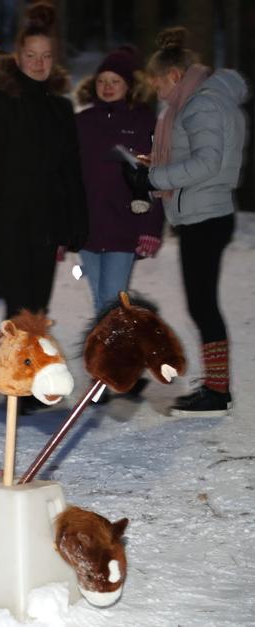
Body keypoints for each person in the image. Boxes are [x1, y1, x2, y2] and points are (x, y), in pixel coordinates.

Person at [123, 27, 248, 417]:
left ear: (174, 76)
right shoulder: (201, 102)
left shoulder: (202, 105)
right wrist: (154, 165)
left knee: (203, 306)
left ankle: (217, 391)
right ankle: (215, 386)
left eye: (159, 83)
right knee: (202, 304)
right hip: (203, 213)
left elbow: (207, 163)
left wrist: (154, 178)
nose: (158, 92)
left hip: (205, 216)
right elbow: (194, 154)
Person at [0, 2, 88, 320]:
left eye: (46, 56)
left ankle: (32, 369)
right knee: (18, 311)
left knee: (38, 310)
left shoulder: (59, 107)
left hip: (47, 224)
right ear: (18, 57)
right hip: (8, 224)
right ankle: (16, 369)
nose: (39, 63)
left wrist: (76, 222)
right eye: (31, 55)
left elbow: (71, 170)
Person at [75, 46, 163, 316]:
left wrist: (152, 227)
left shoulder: (146, 123)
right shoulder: (81, 122)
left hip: (125, 225)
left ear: (129, 86)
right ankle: (108, 354)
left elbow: (158, 178)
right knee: (102, 301)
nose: (107, 87)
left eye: (115, 81)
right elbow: (65, 179)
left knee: (111, 301)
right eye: (102, 81)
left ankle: (111, 356)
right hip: (85, 227)